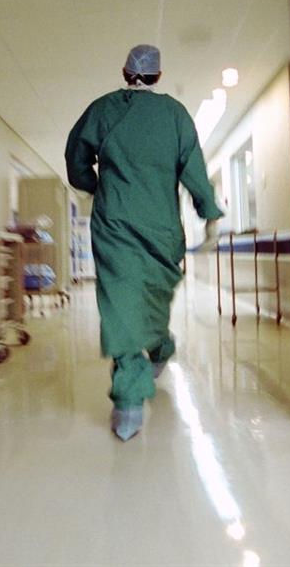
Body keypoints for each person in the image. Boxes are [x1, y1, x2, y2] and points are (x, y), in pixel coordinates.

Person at [65, 44, 224, 441]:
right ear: (158, 76)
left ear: (125, 73)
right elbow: (194, 168)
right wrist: (209, 217)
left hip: (115, 223)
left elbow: (76, 159)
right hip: (160, 228)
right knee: (135, 305)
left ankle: (160, 346)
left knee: (125, 304)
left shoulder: (102, 110)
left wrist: (96, 186)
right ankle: (129, 397)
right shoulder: (175, 115)